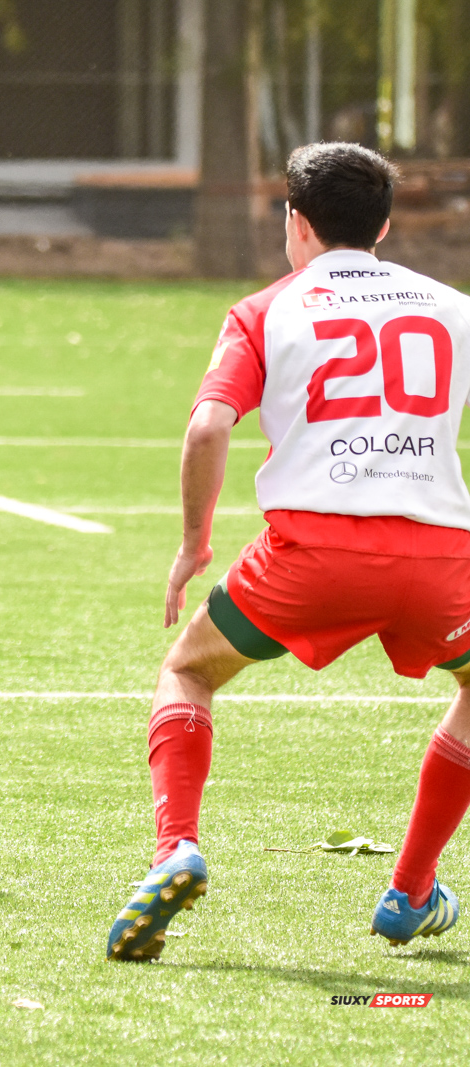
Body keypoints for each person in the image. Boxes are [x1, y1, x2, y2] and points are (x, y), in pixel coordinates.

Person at [106, 142, 470, 962]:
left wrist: (194, 543)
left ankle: (177, 850)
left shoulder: (267, 307)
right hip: (441, 557)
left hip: (311, 553)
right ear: (383, 224)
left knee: (189, 670)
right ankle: (411, 889)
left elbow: (207, 425)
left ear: (294, 222)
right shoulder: (454, 305)